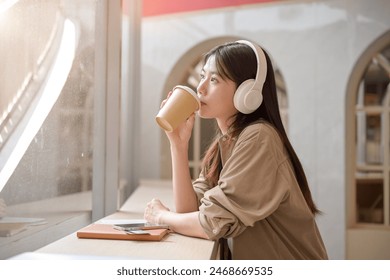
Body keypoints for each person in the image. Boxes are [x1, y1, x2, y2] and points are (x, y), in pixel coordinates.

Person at [144, 40, 328, 260]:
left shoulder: (259, 138)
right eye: (202, 76)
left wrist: (162, 217)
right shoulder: (226, 144)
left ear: (247, 92)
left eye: (214, 80)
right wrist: (178, 144)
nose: (200, 88)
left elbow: (211, 224)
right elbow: (190, 212)